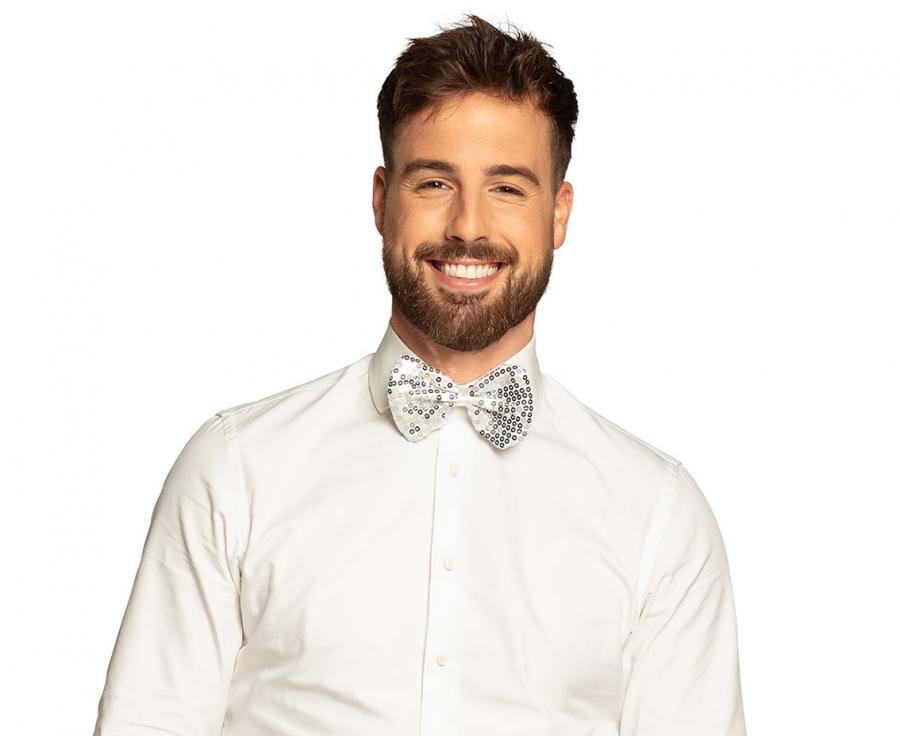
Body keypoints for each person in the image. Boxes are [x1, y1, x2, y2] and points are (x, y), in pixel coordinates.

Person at [93, 13, 747, 736]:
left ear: (559, 213)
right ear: (382, 200)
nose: (468, 225)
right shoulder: (235, 469)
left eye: (508, 188)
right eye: (435, 182)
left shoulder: (658, 514)